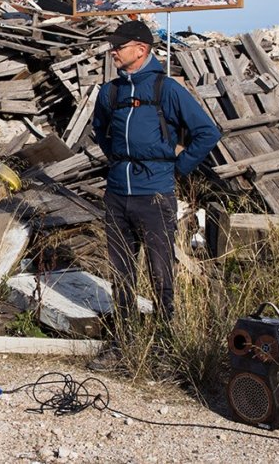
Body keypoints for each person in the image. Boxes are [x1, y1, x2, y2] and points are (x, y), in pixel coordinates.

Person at [88, 21, 221, 371]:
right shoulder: (110, 93)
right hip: (117, 195)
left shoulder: (168, 90)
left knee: (161, 272)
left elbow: (208, 133)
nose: (113, 51)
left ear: (141, 49)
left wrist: (177, 168)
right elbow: (100, 131)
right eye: (112, 46)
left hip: (155, 195)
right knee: (121, 272)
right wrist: (119, 160)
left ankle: (164, 347)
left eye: (119, 46)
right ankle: (124, 343)